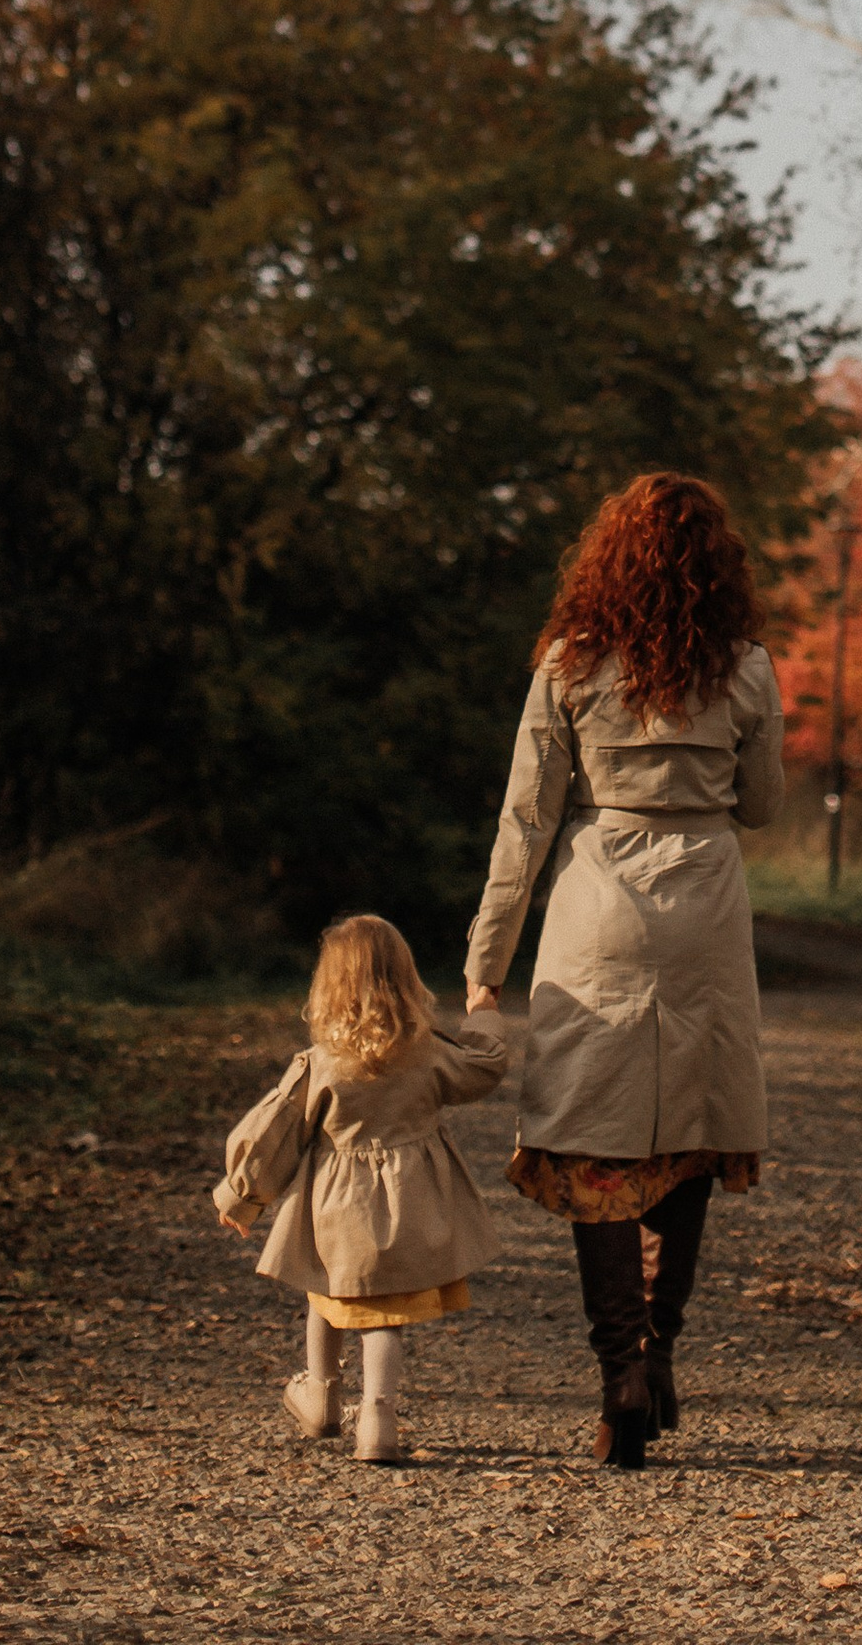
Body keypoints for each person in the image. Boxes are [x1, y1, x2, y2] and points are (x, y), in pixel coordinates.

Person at [465, 470, 785, 1467]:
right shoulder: (746, 669)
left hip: (598, 899)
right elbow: (765, 807)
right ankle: (661, 1343)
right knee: (688, 1131)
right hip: (705, 907)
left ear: (607, 562)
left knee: (595, 1138)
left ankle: (619, 1373)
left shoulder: (568, 664)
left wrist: (486, 966)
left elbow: (526, 821)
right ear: (717, 569)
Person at [213, 912, 509, 1466]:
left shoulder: (321, 1064)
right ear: (405, 980)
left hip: (336, 1209)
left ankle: (322, 1397)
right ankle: (378, 1414)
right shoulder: (428, 1054)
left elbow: (274, 1132)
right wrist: (483, 1014)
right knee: (385, 1313)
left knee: (326, 1290)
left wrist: (242, 1195)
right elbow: (485, 1067)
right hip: (413, 1203)